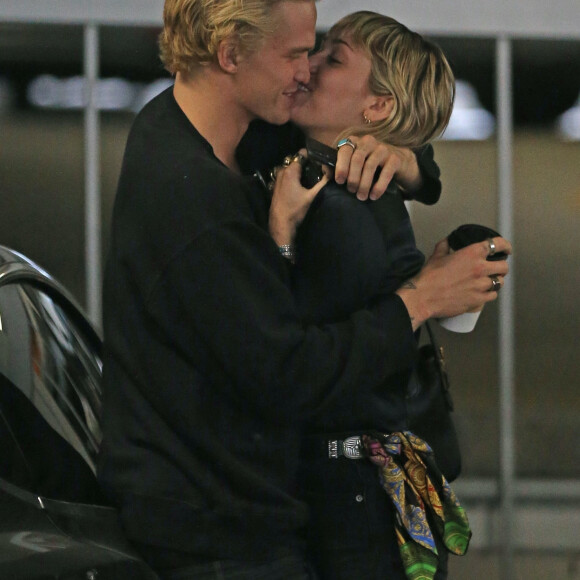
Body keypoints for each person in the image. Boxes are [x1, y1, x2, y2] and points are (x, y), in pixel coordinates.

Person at [97, 2, 511, 579]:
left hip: (306, 502)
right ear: (231, 54)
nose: (306, 69)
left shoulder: (182, 125)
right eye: (297, 53)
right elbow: (291, 365)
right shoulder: (208, 197)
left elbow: (408, 145)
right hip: (225, 522)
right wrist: (419, 298)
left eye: (321, 53)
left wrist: (405, 158)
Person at [266, 11, 509, 580]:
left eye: (335, 57)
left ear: (376, 107)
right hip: (383, 485)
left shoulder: (332, 209)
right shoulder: (358, 188)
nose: (311, 63)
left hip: (353, 500)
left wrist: (278, 241)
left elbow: (301, 361)